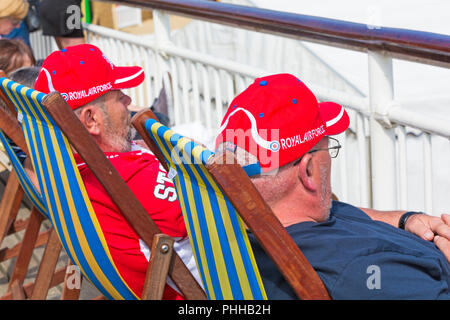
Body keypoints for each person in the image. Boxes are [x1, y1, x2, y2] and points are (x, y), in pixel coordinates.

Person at [215, 73, 450, 299]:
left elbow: (343, 212)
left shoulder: (230, 223)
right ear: (308, 171)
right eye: (328, 147)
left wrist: (406, 219)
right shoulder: (366, 271)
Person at [33, 44, 201, 299]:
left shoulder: (61, 167)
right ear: (91, 120)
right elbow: (215, 217)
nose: (128, 100)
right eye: (118, 94)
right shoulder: (131, 176)